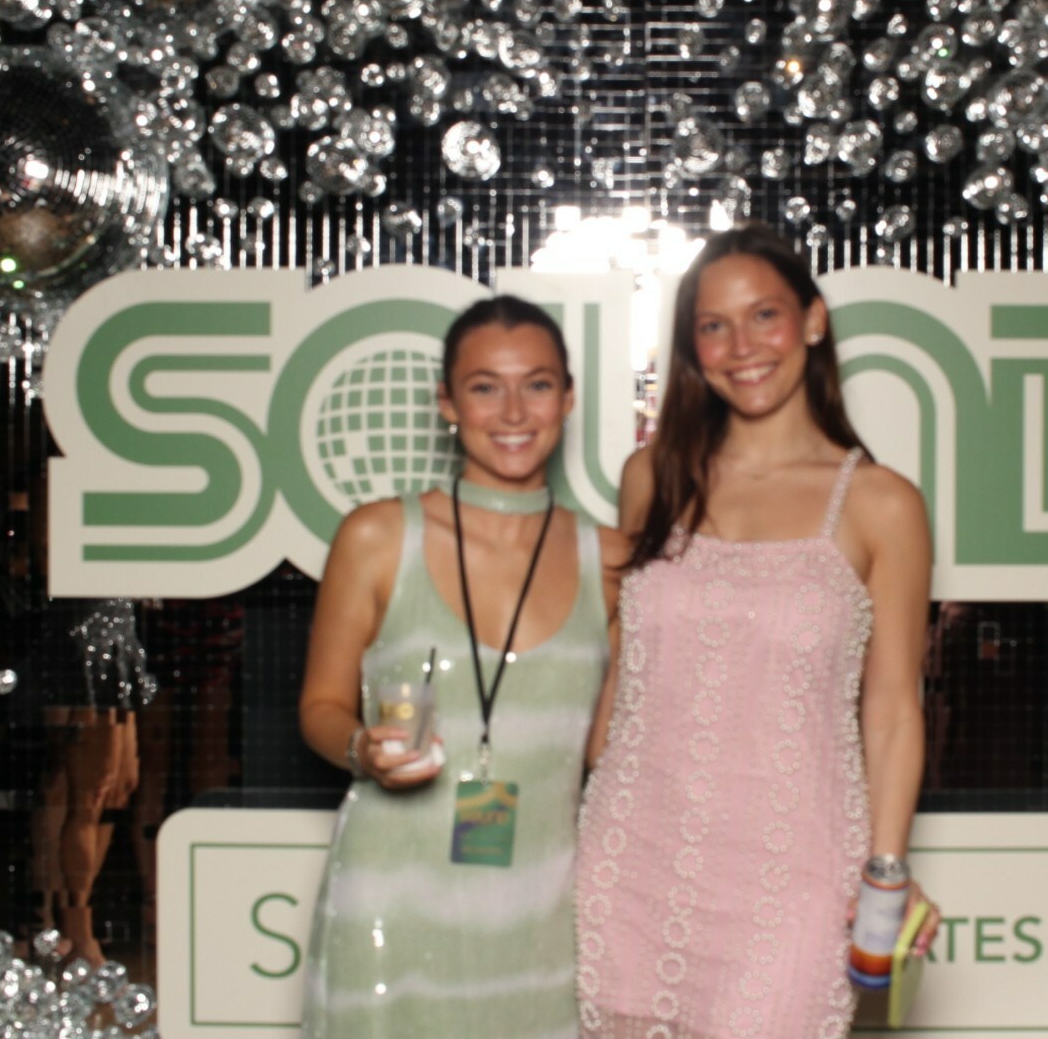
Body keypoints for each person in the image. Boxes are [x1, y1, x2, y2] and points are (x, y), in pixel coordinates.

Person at [575, 223, 939, 1038]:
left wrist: (885, 874)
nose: (741, 346)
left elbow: (892, 711)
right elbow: (622, 675)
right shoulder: (651, 476)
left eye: (764, 315)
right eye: (714, 325)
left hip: (793, 872)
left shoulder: (882, 503)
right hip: (629, 859)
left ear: (812, 320)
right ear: (691, 347)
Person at [298, 294, 625, 1037]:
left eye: (537, 384)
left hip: (543, 916)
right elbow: (319, 707)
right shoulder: (379, 537)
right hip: (390, 904)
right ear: (447, 402)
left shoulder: (611, 561)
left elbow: (612, 753)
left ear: (568, 398)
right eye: (484, 387)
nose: (513, 411)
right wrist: (362, 749)